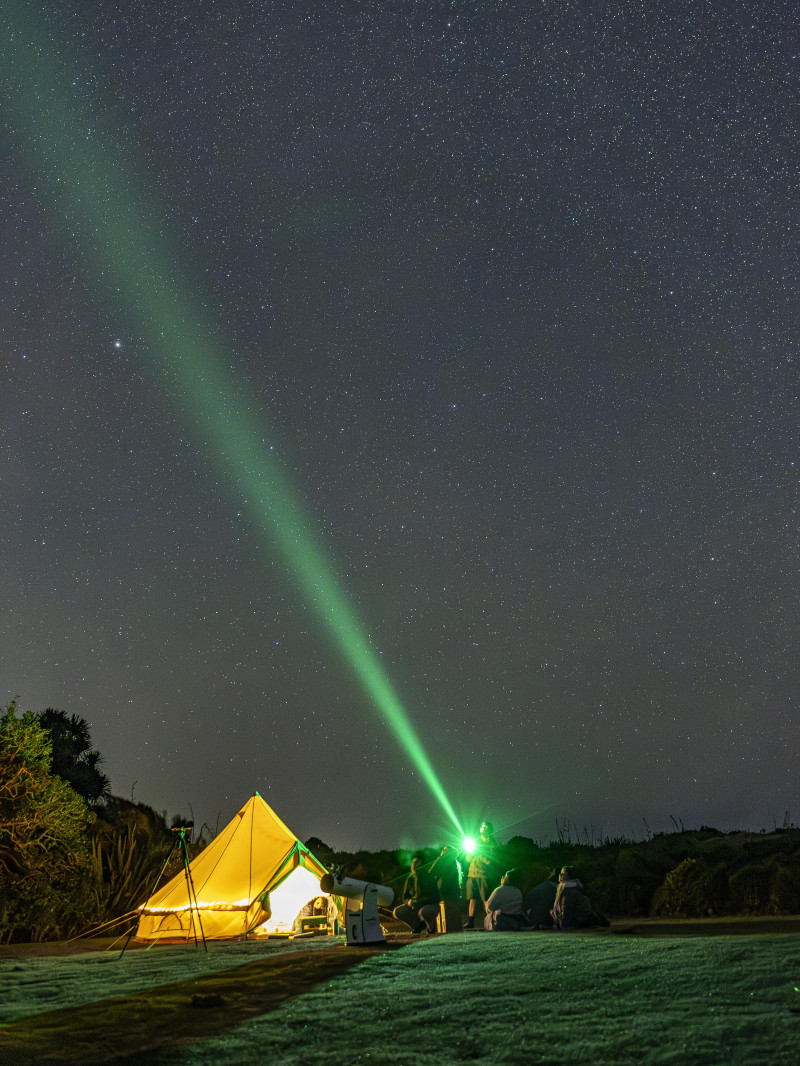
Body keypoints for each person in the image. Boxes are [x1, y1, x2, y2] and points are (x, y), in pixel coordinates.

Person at [419, 844, 463, 933]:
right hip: (443, 897)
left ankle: (433, 927)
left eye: (445, 849)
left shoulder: (450, 865)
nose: (442, 850)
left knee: (427, 911)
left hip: (447, 897)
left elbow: (433, 873)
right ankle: (433, 927)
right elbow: (431, 873)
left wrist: (440, 858)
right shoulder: (445, 863)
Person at [393, 855, 439, 934]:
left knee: (424, 911)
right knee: (397, 912)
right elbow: (405, 896)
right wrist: (408, 901)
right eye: (413, 863)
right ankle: (418, 926)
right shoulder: (410, 879)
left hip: (428, 905)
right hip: (415, 906)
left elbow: (435, 896)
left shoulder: (428, 877)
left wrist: (421, 899)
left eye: (417, 863)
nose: (414, 865)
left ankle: (431, 927)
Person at [464, 821, 498, 928]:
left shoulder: (492, 843)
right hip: (472, 874)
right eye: (482, 827)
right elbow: (468, 859)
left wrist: (481, 852)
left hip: (484, 875)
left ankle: (489, 920)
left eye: (486, 827)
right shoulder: (476, 841)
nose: (484, 829)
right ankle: (470, 922)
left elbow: (489, 861)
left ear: (490, 830)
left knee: (485, 899)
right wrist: (472, 851)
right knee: (472, 899)